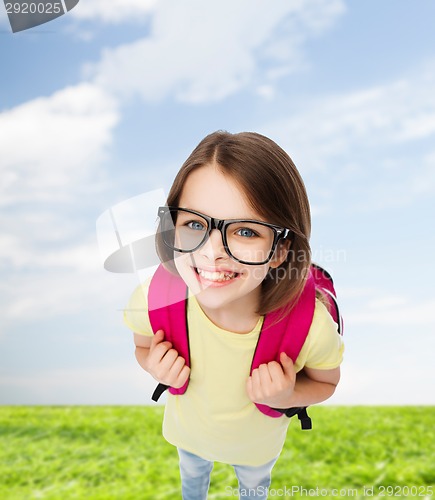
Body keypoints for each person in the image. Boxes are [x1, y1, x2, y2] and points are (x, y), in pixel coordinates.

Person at [124, 131, 344, 500]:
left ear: (279, 251)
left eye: (245, 231)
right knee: (192, 477)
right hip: (188, 436)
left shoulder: (312, 326)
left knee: (253, 488)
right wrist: (153, 364)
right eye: (194, 224)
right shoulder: (154, 297)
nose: (212, 253)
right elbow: (142, 344)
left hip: (255, 449)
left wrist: (289, 393)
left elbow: (327, 382)